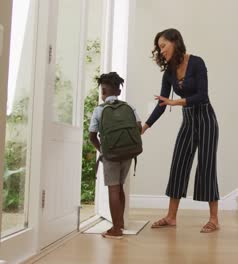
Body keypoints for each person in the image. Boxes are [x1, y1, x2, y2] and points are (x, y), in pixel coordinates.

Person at [141, 28, 220, 233]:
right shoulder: (169, 72)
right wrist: (145, 126)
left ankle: (214, 219)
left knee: (206, 166)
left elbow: (202, 96)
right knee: (178, 165)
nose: (161, 51)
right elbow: (162, 103)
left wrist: (176, 102)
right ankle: (171, 217)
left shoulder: (197, 62)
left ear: (175, 42)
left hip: (206, 120)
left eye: (163, 45)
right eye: (159, 48)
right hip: (188, 121)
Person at [89, 72, 142, 239]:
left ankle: (116, 229)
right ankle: (121, 223)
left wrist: (102, 150)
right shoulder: (129, 107)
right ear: (118, 92)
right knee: (120, 187)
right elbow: (138, 128)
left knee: (113, 189)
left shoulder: (99, 110)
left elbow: (92, 136)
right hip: (128, 154)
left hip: (110, 155)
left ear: (103, 92)